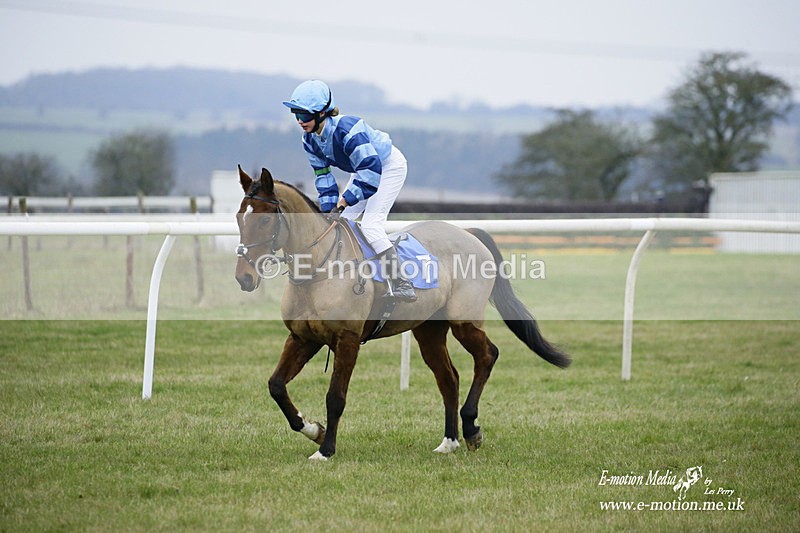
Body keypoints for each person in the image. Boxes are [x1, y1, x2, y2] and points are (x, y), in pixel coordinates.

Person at [282, 79, 416, 302]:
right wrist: (328, 211)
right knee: (339, 223)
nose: (299, 121)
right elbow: (324, 178)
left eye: (304, 115)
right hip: (362, 169)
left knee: (371, 226)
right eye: (296, 114)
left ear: (322, 113)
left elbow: (371, 173)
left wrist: (343, 201)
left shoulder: (348, 130)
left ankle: (401, 282)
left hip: (386, 167)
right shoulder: (309, 140)